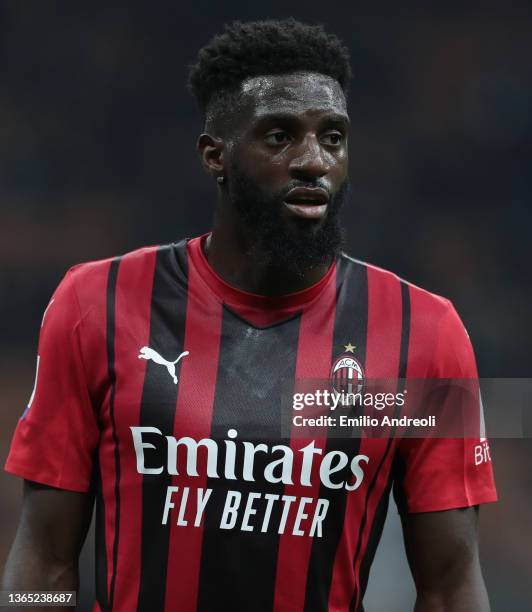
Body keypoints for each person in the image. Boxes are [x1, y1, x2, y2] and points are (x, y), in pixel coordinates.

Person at [2, 19, 497, 612]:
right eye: (280, 136)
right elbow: (44, 560)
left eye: (333, 137)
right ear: (216, 155)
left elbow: (450, 586)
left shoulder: (429, 333)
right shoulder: (94, 302)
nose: (314, 160)